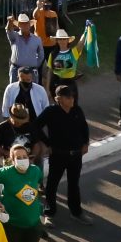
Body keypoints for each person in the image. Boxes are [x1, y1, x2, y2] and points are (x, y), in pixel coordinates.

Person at [41, 82, 88, 221]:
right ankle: (49, 213)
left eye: (72, 97)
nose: (72, 100)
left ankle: (76, 212)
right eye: (68, 98)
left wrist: (86, 143)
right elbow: (36, 126)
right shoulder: (51, 112)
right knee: (52, 184)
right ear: (59, 99)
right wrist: (47, 143)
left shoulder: (77, 110)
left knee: (74, 184)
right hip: (58, 154)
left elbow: (84, 127)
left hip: (76, 155)